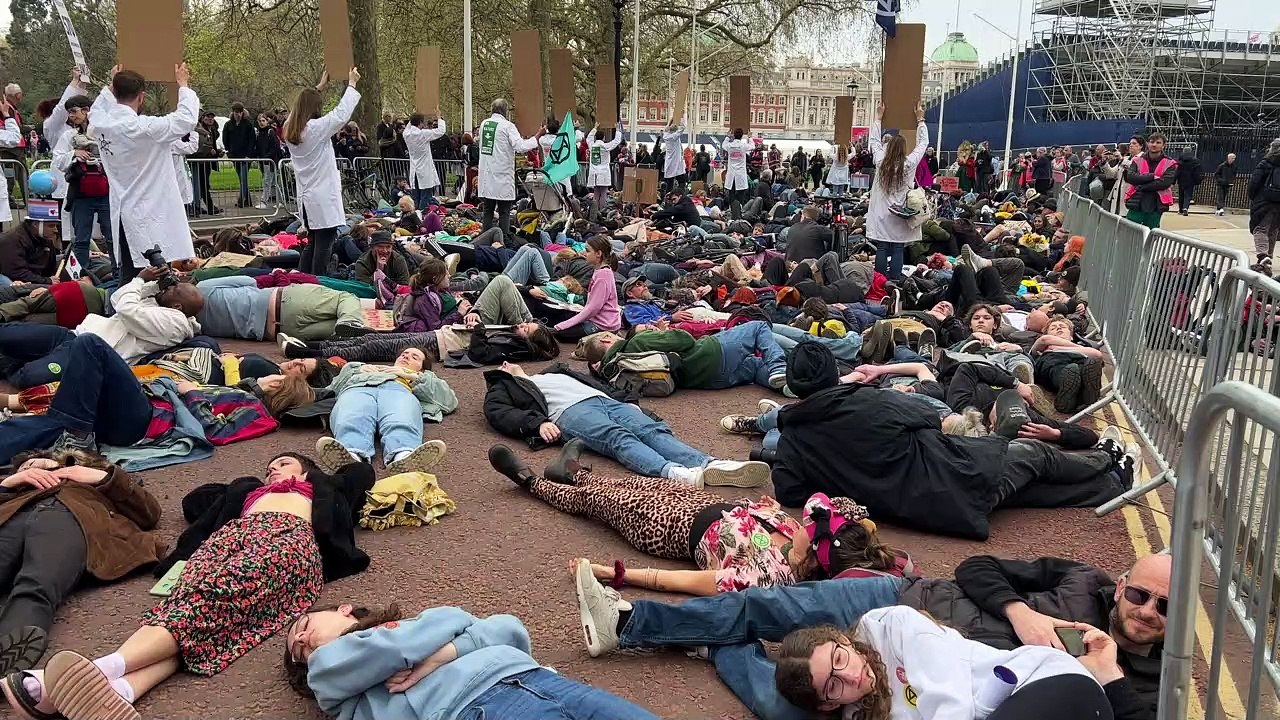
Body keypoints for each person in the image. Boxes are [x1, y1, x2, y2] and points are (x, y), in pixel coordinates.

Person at [571, 552, 1169, 720]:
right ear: (1120, 586)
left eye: (1165, 608)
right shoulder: (1078, 580)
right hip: (904, 602)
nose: (1146, 612)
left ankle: (717, 647)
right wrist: (1019, 613)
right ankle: (632, 624)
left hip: (920, 687)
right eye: (1140, 593)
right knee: (764, 607)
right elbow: (977, 567)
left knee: (785, 703)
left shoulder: (1133, 673)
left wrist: (1107, 673)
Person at [4, 452, 373, 720]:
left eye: (284, 462)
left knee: (209, 598)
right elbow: (194, 502)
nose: (273, 467)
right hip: (228, 540)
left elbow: (360, 474)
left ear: (306, 468)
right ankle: (120, 691)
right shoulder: (248, 491)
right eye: (270, 465)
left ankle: (94, 671)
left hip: (286, 539)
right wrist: (242, 487)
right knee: (195, 616)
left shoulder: (318, 488)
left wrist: (319, 474)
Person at [766, 344, 1132, 539]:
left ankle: (1114, 484)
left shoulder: (793, 436)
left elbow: (790, 492)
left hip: (915, 508)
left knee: (1025, 491)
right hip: (955, 477)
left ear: (795, 387)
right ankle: (1105, 458)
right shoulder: (869, 400)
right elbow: (930, 417)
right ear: (835, 373)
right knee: (1032, 454)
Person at [283, 604, 660, 720]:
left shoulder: (411, 628)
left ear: (343, 609)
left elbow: (508, 626)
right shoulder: (327, 674)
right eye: (297, 651)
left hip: (531, 676)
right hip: (472, 709)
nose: (301, 641)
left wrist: (440, 656)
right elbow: (449, 619)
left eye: (303, 626)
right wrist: (452, 633)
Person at [0, 451, 161, 678]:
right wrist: (7, 484)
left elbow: (150, 513)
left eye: (37, 463)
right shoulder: (14, 490)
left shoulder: (93, 481)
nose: (31, 469)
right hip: (12, 519)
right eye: (25, 468)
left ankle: (7, 650)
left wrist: (99, 477)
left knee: (37, 582)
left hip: (67, 517)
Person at [483, 361, 769, 487]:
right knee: (617, 437)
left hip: (603, 400)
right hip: (568, 412)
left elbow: (598, 382)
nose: (506, 363)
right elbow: (498, 413)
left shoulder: (554, 371)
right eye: (501, 365)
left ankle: (707, 463)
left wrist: (626, 399)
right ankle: (672, 472)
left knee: (650, 429)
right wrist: (536, 424)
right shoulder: (504, 387)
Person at [89, 64, 200, 283]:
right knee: (152, 278)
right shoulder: (143, 128)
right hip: (150, 212)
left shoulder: (101, 123)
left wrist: (111, 86)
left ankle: (126, 310)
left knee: (131, 275)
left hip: (122, 209)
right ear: (141, 97)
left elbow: (96, 109)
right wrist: (183, 85)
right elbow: (186, 119)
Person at [312, 346, 456, 476]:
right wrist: (356, 370)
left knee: (400, 417)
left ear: (422, 369)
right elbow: (332, 388)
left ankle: (403, 455)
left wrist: (414, 377)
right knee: (353, 414)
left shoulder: (423, 378)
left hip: (398, 389)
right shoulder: (360, 368)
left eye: (415, 357)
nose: (406, 356)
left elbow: (449, 402)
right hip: (358, 387)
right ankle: (351, 455)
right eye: (404, 354)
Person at [284, 68, 362, 277]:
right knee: (324, 245)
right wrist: (352, 84)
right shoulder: (315, 129)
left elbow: (295, 113)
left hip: (307, 197)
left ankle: (302, 279)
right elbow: (340, 114)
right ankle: (317, 280)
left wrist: (318, 88)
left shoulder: (289, 129)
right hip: (322, 196)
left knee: (312, 242)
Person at [584, 319, 787, 392]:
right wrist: (657, 333)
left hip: (708, 380)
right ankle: (779, 367)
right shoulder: (635, 342)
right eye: (611, 335)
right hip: (710, 354)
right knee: (757, 327)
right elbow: (685, 339)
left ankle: (788, 384)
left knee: (754, 366)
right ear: (605, 341)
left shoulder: (614, 372)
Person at [195, 274, 369, 342]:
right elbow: (250, 282)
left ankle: (348, 324)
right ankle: (350, 321)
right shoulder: (203, 287)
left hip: (278, 331)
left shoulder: (194, 325)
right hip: (284, 300)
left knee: (339, 329)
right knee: (345, 297)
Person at [49, 93, 109, 274]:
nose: (72, 116)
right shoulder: (69, 136)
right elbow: (58, 160)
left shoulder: (103, 131)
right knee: (81, 238)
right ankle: (80, 275)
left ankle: (117, 271)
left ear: (87, 111)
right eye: (69, 112)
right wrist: (74, 153)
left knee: (112, 236)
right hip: (81, 193)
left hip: (106, 190)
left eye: (74, 111)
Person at [478, 99, 543, 241]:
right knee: (504, 211)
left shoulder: (484, 124)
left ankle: (484, 239)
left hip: (487, 174)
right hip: (502, 175)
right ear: (505, 111)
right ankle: (503, 239)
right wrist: (537, 136)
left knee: (488, 210)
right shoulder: (508, 126)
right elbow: (520, 146)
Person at [551, 235, 621, 340]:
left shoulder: (602, 276)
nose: (584, 253)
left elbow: (593, 308)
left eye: (588, 251)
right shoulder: (602, 271)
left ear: (598, 254)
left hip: (602, 325)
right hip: (603, 321)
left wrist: (560, 326)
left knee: (560, 334)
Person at [1123, 132, 1178, 230]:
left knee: (1151, 234)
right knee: (1129, 231)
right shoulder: (1137, 160)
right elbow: (1131, 177)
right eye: (1152, 142)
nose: (1154, 145)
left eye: (1158, 142)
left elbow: (1165, 182)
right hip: (1137, 202)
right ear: (1147, 143)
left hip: (1156, 204)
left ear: (1163, 145)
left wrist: (1143, 186)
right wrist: (1152, 177)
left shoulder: (1170, 163)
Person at [0, 212, 62, 285]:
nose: (56, 230)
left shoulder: (45, 237)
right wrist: (47, 281)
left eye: (56, 226)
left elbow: (50, 269)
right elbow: (16, 273)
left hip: (32, 278)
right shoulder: (11, 240)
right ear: (35, 224)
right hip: (13, 281)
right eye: (51, 226)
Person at [1247, 138, 1280, 273]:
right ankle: (1267, 258)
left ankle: (1263, 256)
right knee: (1272, 231)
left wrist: (1253, 196)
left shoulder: (1266, 163)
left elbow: (1254, 183)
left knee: (1260, 229)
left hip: (1265, 201)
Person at [403, 110, 446, 209]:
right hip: (425, 170)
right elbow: (441, 131)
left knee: (416, 197)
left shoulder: (406, 134)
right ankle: (422, 217)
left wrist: (414, 114)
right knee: (425, 197)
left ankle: (414, 215)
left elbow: (409, 125)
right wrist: (439, 117)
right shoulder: (423, 134)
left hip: (414, 169)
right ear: (420, 123)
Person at [584, 123, 623, 221]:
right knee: (604, 193)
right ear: (604, 137)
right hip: (604, 172)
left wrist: (595, 127)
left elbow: (588, 138)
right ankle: (602, 212)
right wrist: (617, 130)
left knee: (596, 193)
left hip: (594, 173)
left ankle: (594, 212)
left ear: (596, 137)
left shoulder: (592, 146)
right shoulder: (605, 146)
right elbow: (616, 141)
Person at [223, 102, 257, 209]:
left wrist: (248, 154)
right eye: (236, 112)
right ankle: (247, 200)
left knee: (243, 177)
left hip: (245, 156)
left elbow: (252, 140)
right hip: (235, 155)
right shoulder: (228, 125)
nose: (238, 114)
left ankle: (242, 199)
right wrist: (229, 151)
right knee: (241, 178)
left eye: (240, 112)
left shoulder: (248, 124)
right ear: (233, 112)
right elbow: (225, 139)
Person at [255, 112, 284, 208]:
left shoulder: (270, 132)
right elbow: (259, 147)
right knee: (273, 182)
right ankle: (279, 201)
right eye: (259, 121)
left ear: (267, 121)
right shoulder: (259, 133)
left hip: (271, 160)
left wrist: (267, 156)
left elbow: (275, 147)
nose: (261, 123)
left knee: (268, 181)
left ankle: (264, 201)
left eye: (263, 121)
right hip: (265, 160)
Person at [723, 128, 752, 219]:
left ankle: (732, 213)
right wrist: (750, 137)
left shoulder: (729, 146)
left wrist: (727, 137)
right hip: (740, 174)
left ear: (733, 135)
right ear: (742, 136)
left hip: (732, 174)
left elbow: (723, 145)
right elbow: (752, 146)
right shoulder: (743, 146)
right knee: (740, 195)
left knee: (731, 194)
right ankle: (739, 213)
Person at [661, 116, 687, 194]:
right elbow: (682, 128)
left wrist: (670, 120)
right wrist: (681, 119)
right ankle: (680, 195)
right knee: (682, 181)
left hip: (669, 162)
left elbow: (667, 128)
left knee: (669, 183)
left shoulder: (665, 136)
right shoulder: (674, 137)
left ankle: (668, 197)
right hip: (676, 161)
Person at [1174, 147, 1201, 216]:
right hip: (1190, 180)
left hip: (1181, 180)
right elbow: (1197, 172)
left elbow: (1178, 171)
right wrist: (1197, 180)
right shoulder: (1195, 161)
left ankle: (1180, 210)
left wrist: (1173, 180)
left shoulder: (1180, 160)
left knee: (1181, 195)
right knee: (1187, 195)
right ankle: (1185, 207)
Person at [1213, 152, 1237, 216]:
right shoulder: (1222, 166)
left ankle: (1218, 209)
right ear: (1228, 158)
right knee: (1220, 196)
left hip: (1227, 184)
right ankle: (1221, 208)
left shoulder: (1234, 167)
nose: (1233, 160)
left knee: (1223, 196)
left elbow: (1234, 175)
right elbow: (1216, 175)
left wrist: (1231, 181)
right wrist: (1220, 180)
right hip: (1220, 184)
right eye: (1232, 158)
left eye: (1234, 158)